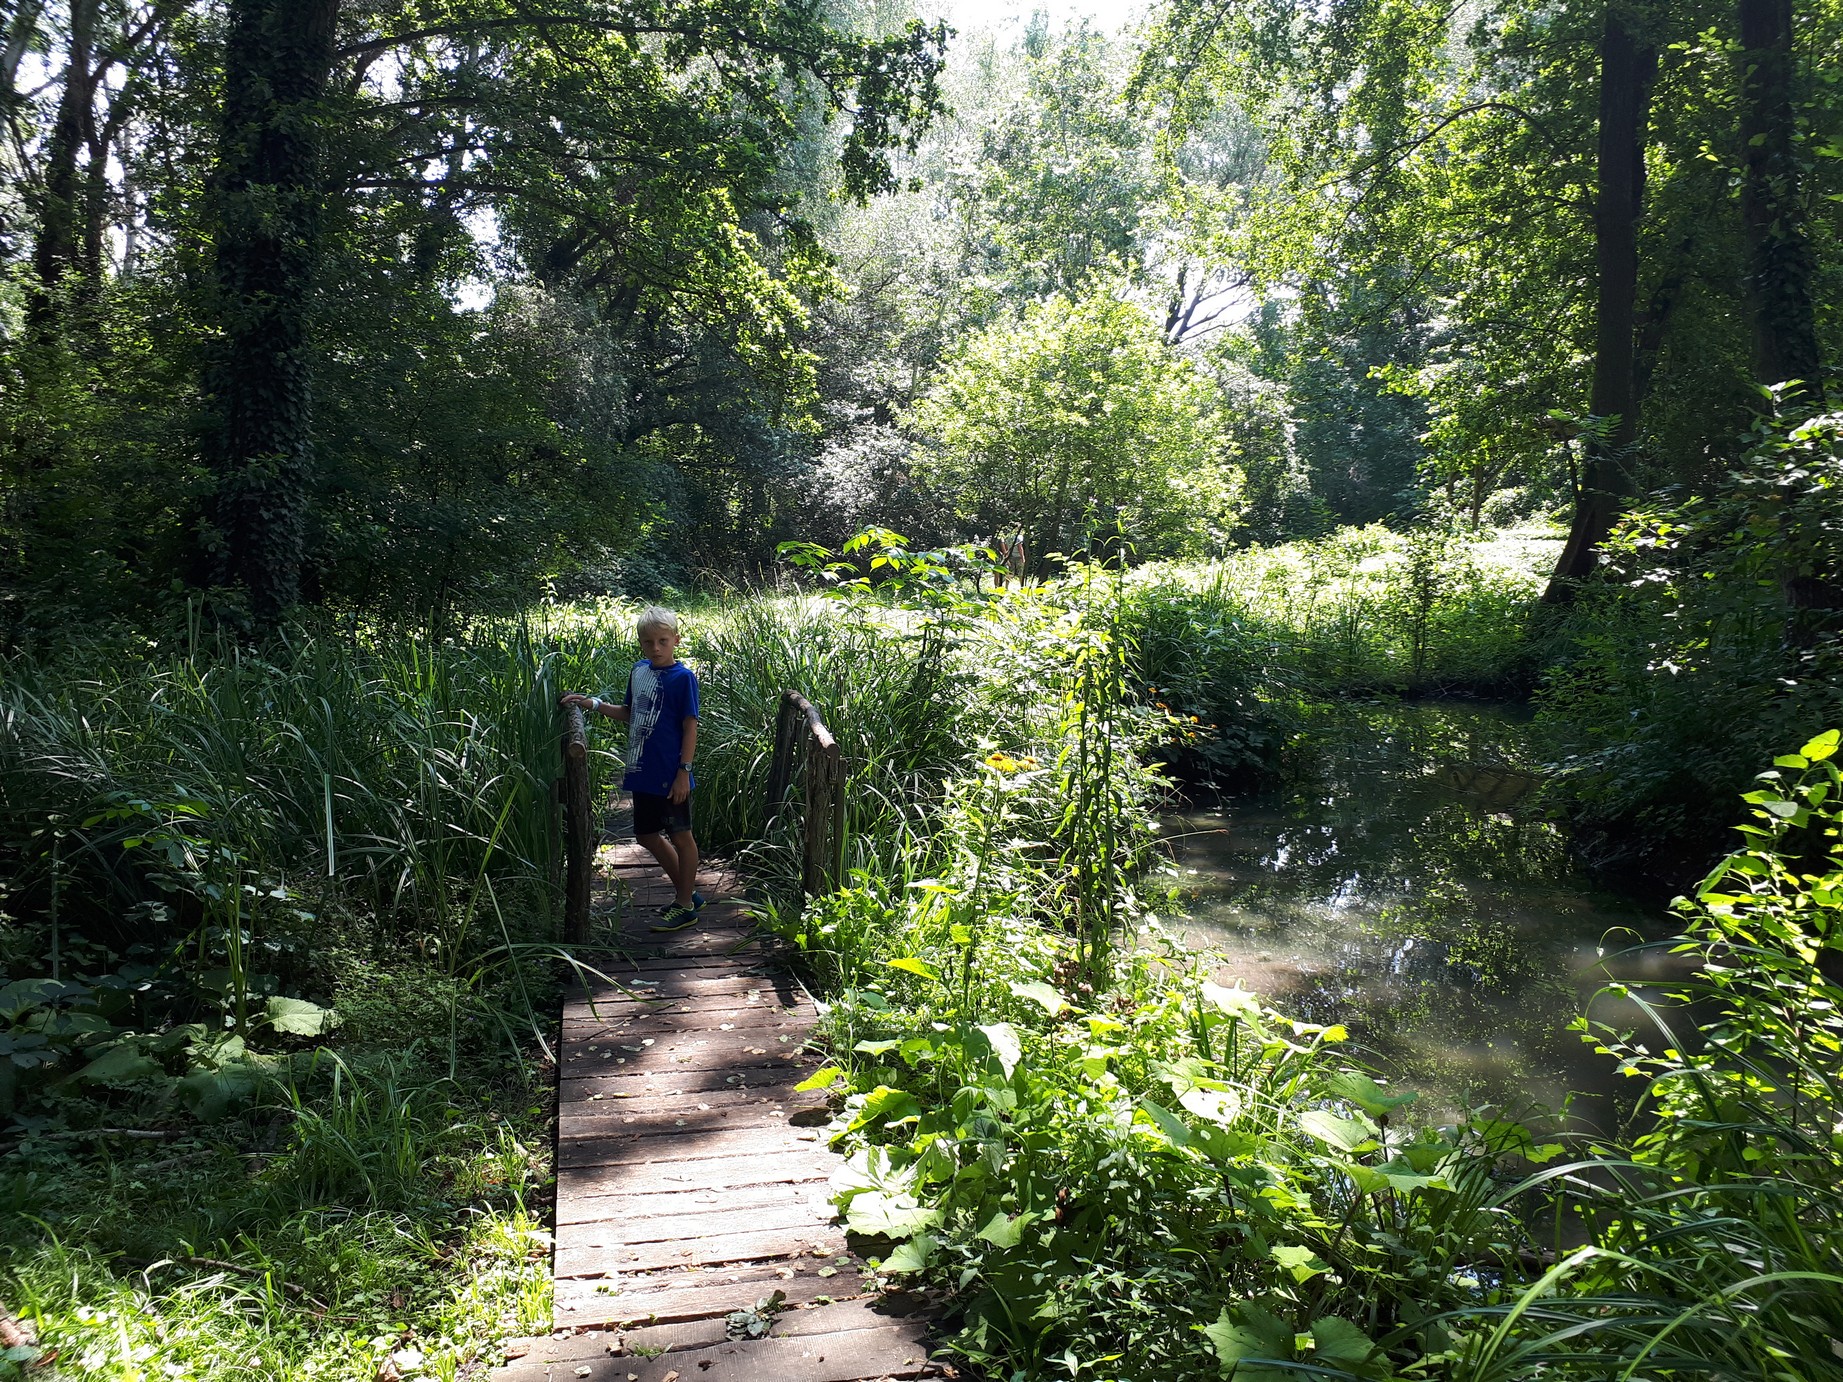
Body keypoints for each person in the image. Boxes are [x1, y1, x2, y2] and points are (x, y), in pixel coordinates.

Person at [562, 606, 705, 931]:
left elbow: (690, 726)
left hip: (671, 774)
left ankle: (684, 904)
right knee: (645, 835)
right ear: (640, 643)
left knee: (681, 836)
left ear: (676, 641)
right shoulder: (639, 672)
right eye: (648, 642)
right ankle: (688, 891)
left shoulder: (684, 679)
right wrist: (592, 704)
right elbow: (629, 712)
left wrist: (684, 771)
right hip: (643, 770)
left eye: (662, 641)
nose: (655, 648)